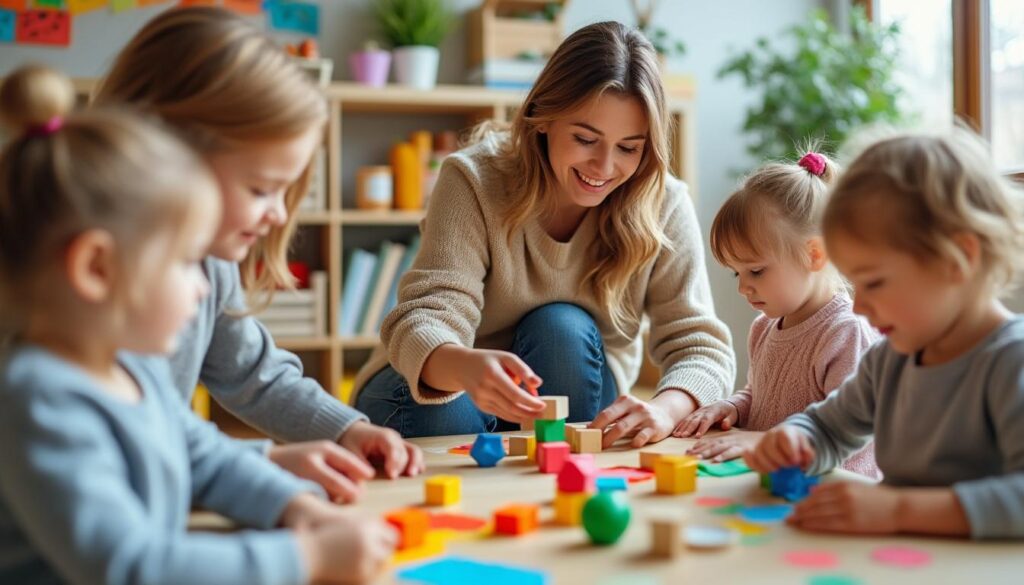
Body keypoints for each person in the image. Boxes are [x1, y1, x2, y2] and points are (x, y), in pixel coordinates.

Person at [0, 65, 396, 584]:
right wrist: (308, 558)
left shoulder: (130, 369)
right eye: (187, 262)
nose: (205, 287)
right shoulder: (40, 400)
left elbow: (206, 460)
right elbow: (133, 568)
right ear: (97, 269)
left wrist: (298, 509)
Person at [354, 21, 735, 447]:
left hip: (571, 383)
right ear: (543, 119)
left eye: (629, 147)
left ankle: (555, 475)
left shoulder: (663, 202)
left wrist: (666, 408)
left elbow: (701, 347)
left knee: (561, 327)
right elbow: (428, 315)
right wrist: (463, 367)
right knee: (452, 415)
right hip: (438, 379)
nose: (604, 167)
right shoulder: (473, 179)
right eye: (585, 139)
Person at [95, 7, 423, 502]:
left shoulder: (210, 262)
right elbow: (126, 443)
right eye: (261, 189)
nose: (275, 215)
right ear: (165, 156)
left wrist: (345, 430)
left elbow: (255, 375)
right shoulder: (89, 283)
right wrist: (263, 465)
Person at [746, 128, 1024, 539]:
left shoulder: (1009, 362)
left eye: (873, 283)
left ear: (958, 260)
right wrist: (793, 438)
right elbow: (829, 427)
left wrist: (898, 509)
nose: (858, 306)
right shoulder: (890, 358)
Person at [675, 152, 879, 478]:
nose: (744, 287)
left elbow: (847, 433)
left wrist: (763, 441)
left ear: (814, 254)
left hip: (834, 489)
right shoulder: (764, 328)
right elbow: (758, 395)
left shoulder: (845, 333)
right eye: (736, 273)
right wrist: (733, 407)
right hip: (775, 480)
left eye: (755, 271)